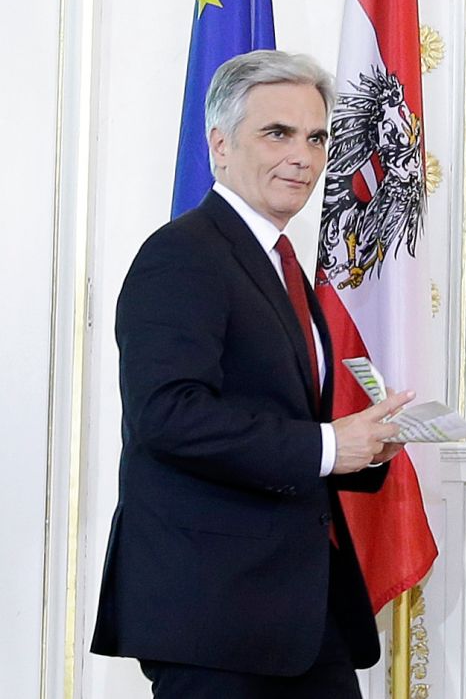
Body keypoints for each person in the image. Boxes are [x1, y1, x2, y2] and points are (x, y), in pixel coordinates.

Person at [93, 50, 416, 697]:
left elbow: (276, 415)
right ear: (220, 145)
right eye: (278, 133)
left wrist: (360, 449)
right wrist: (329, 445)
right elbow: (167, 415)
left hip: (299, 612)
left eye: (316, 138)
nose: (303, 157)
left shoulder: (279, 260)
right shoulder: (182, 254)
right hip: (213, 613)